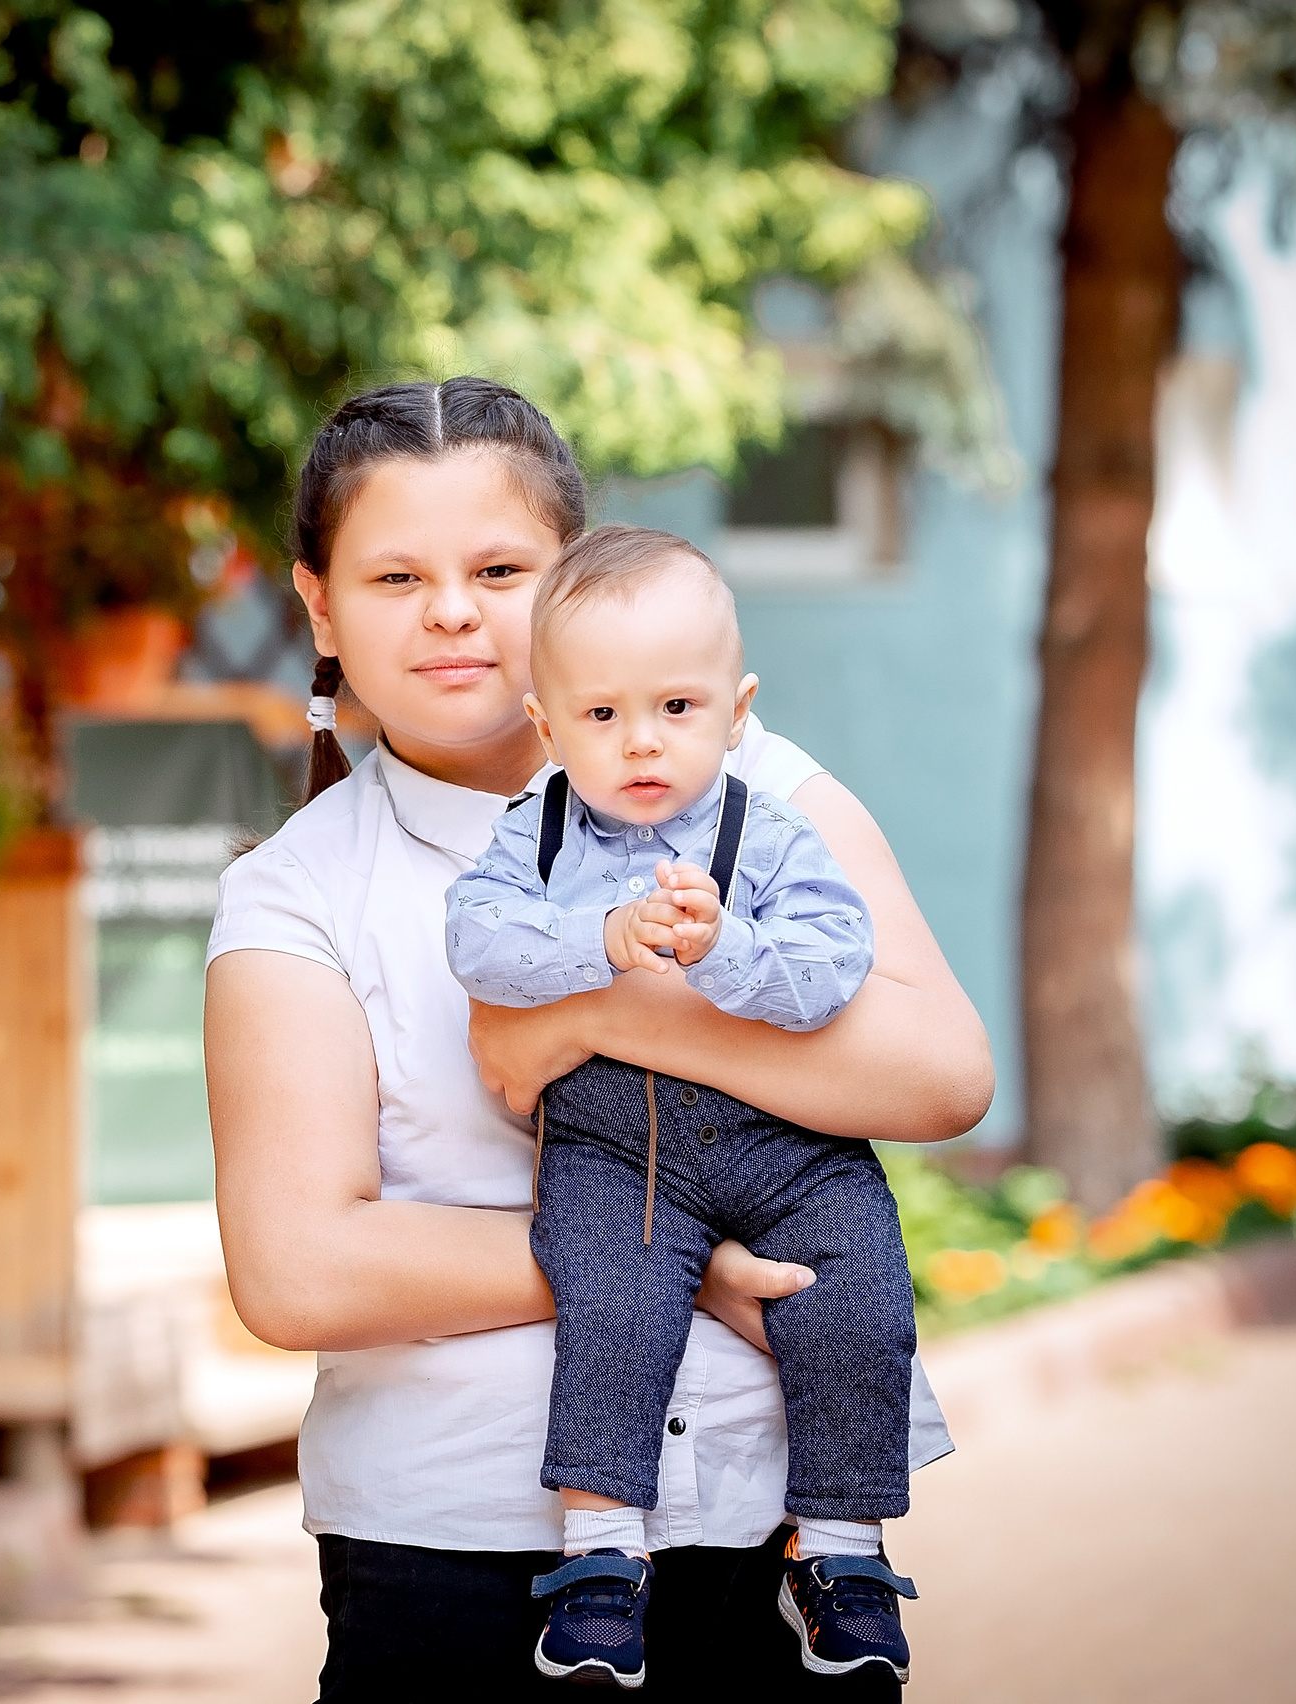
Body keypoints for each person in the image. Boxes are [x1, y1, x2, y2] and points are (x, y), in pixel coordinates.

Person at [204, 377, 993, 1700]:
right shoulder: (294, 892)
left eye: (500, 567)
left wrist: (604, 1012)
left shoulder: (758, 789)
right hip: (451, 1552)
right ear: (320, 605)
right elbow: (299, 1269)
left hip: (764, 1529)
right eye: (396, 575)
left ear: (571, 577)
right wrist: (678, 1266)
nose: (453, 610)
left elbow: (941, 1073)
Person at [446, 524, 920, 1689]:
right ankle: (600, 1557)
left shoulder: (770, 829)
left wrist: (727, 952)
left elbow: (832, 962)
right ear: (547, 725)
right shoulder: (537, 832)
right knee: (609, 1305)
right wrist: (595, 941)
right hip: (616, 1143)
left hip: (786, 1146)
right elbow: (475, 940)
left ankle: (844, 1553)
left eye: (675, 707)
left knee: (858, 1294)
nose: (641, 741)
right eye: (600, 717)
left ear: (734, 708)